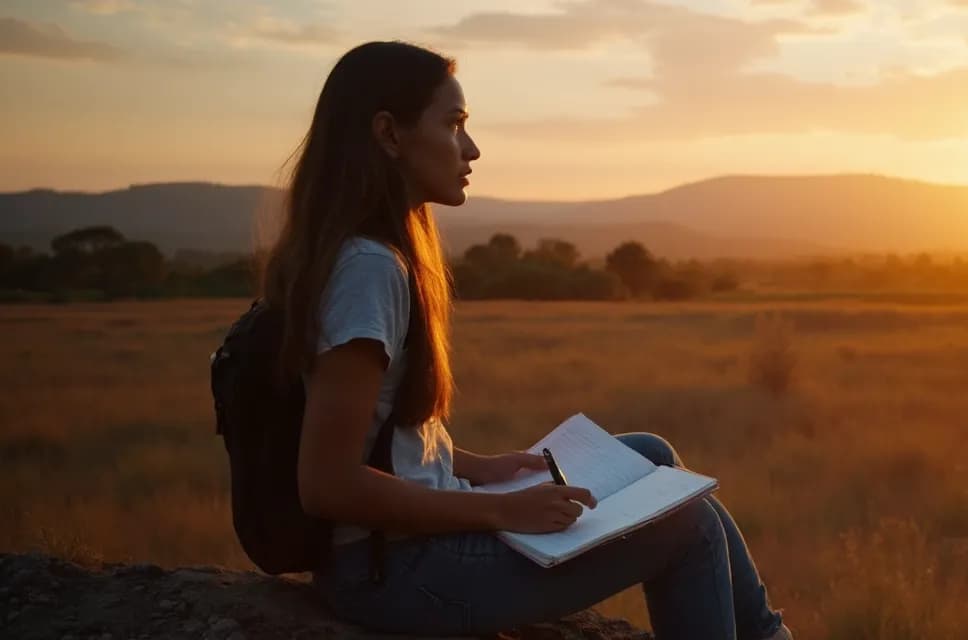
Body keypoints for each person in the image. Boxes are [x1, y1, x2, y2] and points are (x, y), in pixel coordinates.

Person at [260, 40, 791, 640]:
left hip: (410, 547)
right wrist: (499, 508)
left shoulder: (374, 255)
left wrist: (483, 469)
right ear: (389, 134)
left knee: (650, 455)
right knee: (688, 526)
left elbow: (380, 437)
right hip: (394, 572)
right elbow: (327, 481)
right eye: (454, 124)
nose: (472, 148)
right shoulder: (369, 269)